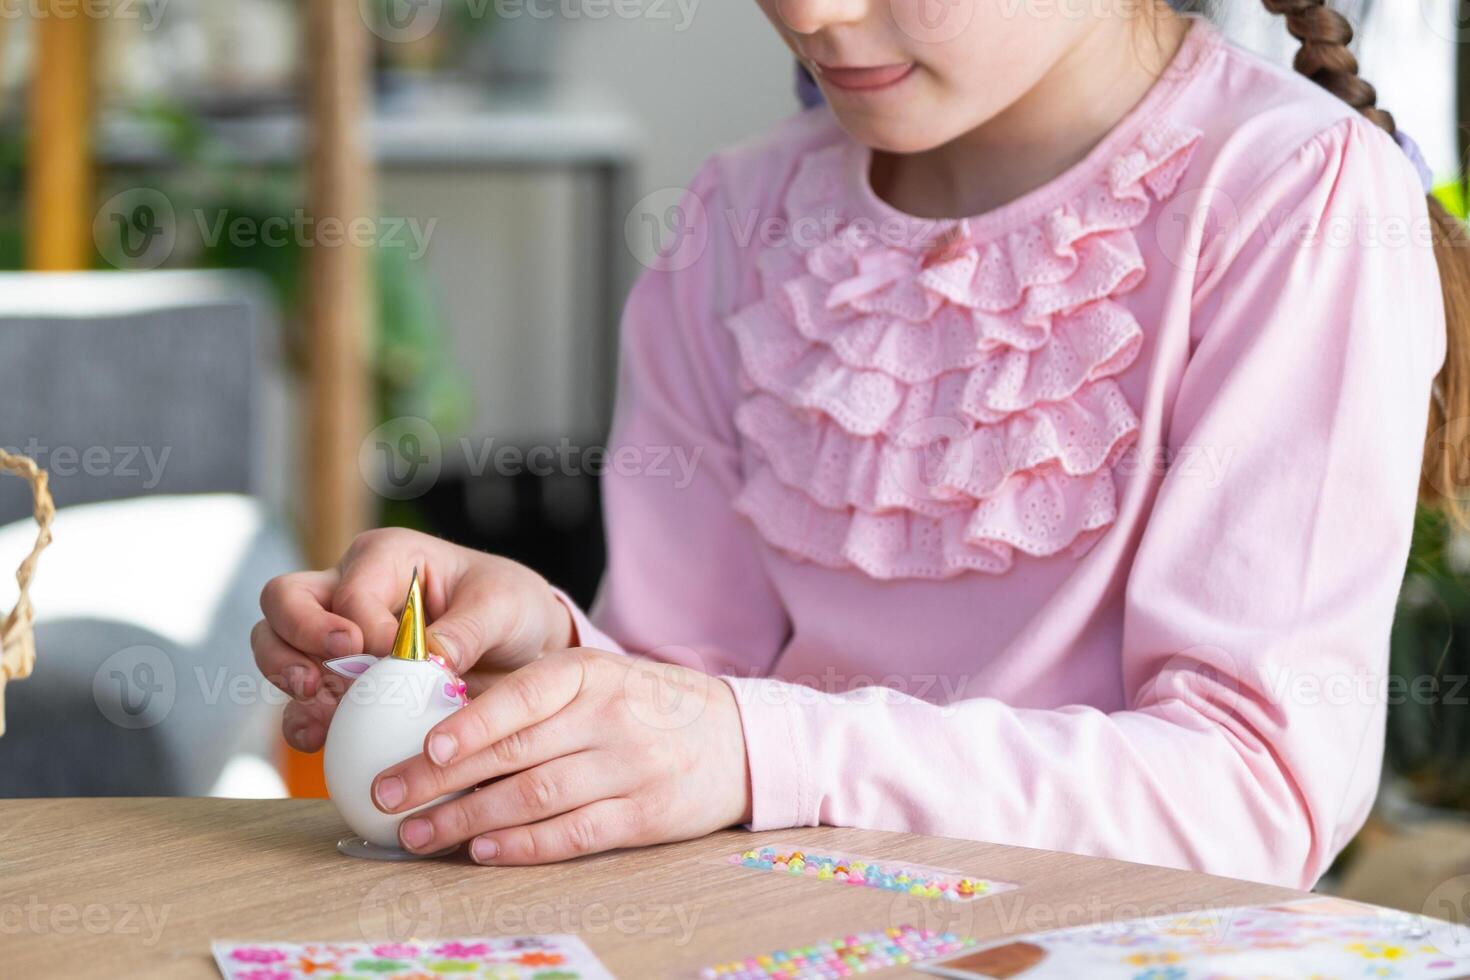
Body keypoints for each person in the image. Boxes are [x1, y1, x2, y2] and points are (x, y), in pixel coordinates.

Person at [254, 0, 1463, 888]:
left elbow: (1253, 795)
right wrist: (534, 650)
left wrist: (753, 745)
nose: (811, 13)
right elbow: (686, 704)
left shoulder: (1294, 198)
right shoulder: (736, 222)